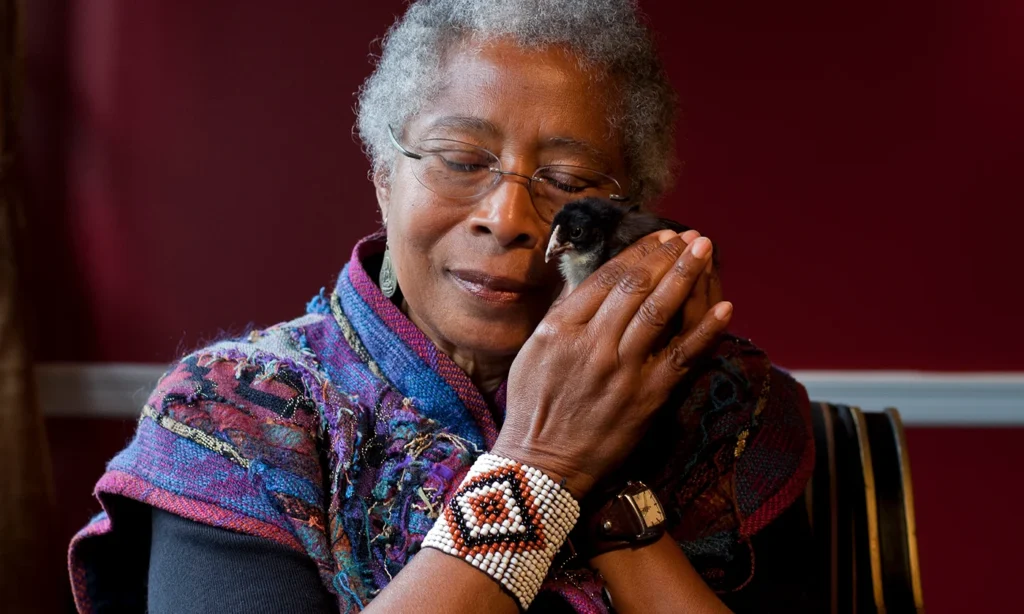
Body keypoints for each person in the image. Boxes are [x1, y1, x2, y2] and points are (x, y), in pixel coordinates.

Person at [68, 1, 817, 612]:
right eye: (462, 160)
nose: (510, 216)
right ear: (384, 175)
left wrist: (607, 470)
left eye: (568, 178)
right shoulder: (234, 417)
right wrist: (542, 464)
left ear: (632, 213)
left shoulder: (729, 411)